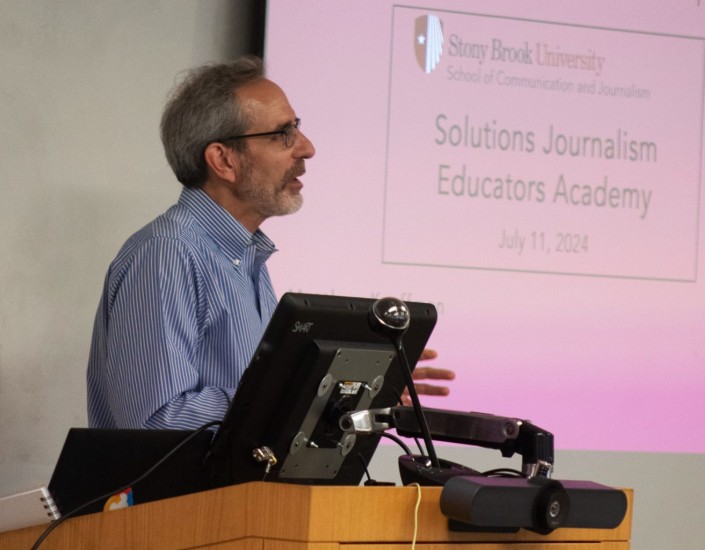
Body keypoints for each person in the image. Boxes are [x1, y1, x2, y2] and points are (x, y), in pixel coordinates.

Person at [87, 55, 454, 430]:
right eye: (283, 135)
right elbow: (154, 423)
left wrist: (352, 396)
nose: (307, 148)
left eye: (297, 129)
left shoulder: (247, 260)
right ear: (223, 161)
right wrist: (294, 391)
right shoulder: (167, 254)